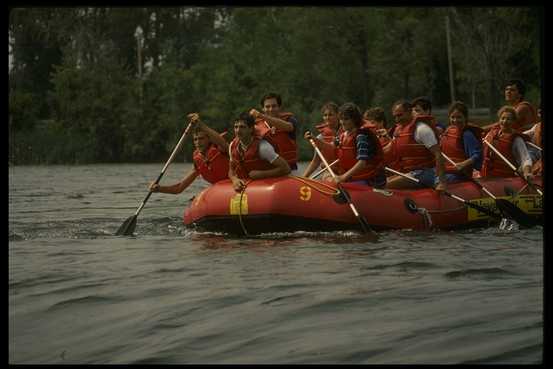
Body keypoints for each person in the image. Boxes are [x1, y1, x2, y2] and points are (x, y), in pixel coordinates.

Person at [307, 102, 386, 188]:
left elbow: (362, 162)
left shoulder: (361, 136)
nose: (342, 122)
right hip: (355, 178)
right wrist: (315, 140)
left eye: (346, 119)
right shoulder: (344, 135)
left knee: (336, 185)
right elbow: (332, 148)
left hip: (371, 180)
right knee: (329, 181)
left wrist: (343, 177)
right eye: (341, 119)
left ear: (354, 120)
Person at [149, 113, 230, 194]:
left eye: (201, 138)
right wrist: (159, 189)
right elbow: (179, 188)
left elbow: (221, 142)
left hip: (235, 184)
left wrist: (200, 124)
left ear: (209, 139)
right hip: (220, 190)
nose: (198, 142)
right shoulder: (198, 162)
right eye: (195, 139)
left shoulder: (220, 148)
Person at [384, 100, 447, 192]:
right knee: (381, 183)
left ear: (409, 112)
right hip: (411, 173)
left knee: (385, 185)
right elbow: (389, 148)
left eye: (400, 115)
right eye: (395, 116)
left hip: (426, 172)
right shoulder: (399, 130)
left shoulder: (421, 129)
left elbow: (438, 154)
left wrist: (441, 182)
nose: (397, 120)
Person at [228, 111, 291, 192]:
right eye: (236, 127)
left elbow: (286, 169)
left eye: (242, 127)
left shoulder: (263, 147)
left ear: (251, 129)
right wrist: (235, 180)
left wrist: (261, 174)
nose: (238, 130)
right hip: (251, 189)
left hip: (271, 188)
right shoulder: (232, 146)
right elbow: (231, 171)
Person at [249, 92, 299, 171]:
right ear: (263, 108)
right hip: (269, 170)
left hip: (290, 169)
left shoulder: (290, 120)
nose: (271, 109)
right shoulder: (256, 125)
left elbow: (289, 127)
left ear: (279, 107)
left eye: (274, 106)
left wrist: (261, 116)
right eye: (267, 107)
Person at [481, 106, 533, 181]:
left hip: (505, 179)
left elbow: (526, 159)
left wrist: (527, 172)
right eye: (503, 118)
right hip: (486, 176)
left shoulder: (516, 139)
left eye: (508, 119)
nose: (504, 121)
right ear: (499, 120)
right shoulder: (491, 134)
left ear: (513, 122)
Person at [438, 101, 483, 183]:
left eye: (459, 117)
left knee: (436, 181)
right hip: (445, 172)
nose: (455, 120)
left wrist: (463, 164)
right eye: (452, 117)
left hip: (460, 175)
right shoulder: (447, 131)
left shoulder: (467, 134)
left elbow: (477, 155)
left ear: (465, 118)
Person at [302, 102, 342, 178]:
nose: (327, 117)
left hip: (344, 172)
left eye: (330, 114)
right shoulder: (320, 137)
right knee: (328, 177)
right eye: (325, 115)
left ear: (338, 115)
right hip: (329, 173)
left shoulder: (345, 134)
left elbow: (332, 147)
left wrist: (315, 140)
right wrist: (304, 177)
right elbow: (315, 161)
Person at [523, 102, 543, 176]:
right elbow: (525, 134)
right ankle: (526, 172)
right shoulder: (537, 126)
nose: (540, 110)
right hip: (536, 153)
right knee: (528, 155)